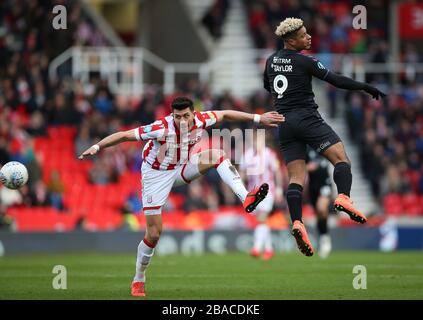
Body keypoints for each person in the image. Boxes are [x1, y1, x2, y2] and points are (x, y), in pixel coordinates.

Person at [78, 96, 284, 296]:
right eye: (177, 117)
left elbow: (225, 114)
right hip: (156, 175)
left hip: (181, 167)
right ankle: (139, 278)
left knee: (217, 155)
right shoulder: (161, 127)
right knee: (154, 234)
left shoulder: (202, 119)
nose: (182, 120)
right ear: (172, 115)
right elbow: (124, 135)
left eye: (186, 116)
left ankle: (245, 196)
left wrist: (258, 119)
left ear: (193, 114)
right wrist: (97, 147)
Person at [263, 18, 386, 257]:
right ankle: (343, 197)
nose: (309, 37)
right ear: (290, 40)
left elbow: (269, 87)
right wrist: (364, 86)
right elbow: (336, 80)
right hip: (307, 118)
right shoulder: (305, 61)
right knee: (341, 160)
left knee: (296, 178)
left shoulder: (270, 61)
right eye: (303, 35)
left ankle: (297, 222)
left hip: (284, 123)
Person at [240, 132, 283, 260]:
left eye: (258, 140)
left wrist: (279, 189)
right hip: (253, 193)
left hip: (268, 191)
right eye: (254, 140)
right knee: (262, 220)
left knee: (262, 217)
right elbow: (241, 173)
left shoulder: (269, 154)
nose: (256, 143)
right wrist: (241, 191)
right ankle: (269, 249)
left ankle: (257, 248)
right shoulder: (246, 155)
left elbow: (277, 172)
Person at [306, 147, 332, 259]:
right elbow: (301, 165)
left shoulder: (324, 145)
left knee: (322, 208)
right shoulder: (306, 149)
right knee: (318, 214)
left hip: (325, 183)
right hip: (313, 186)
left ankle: (325, 238)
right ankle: (323, 237)